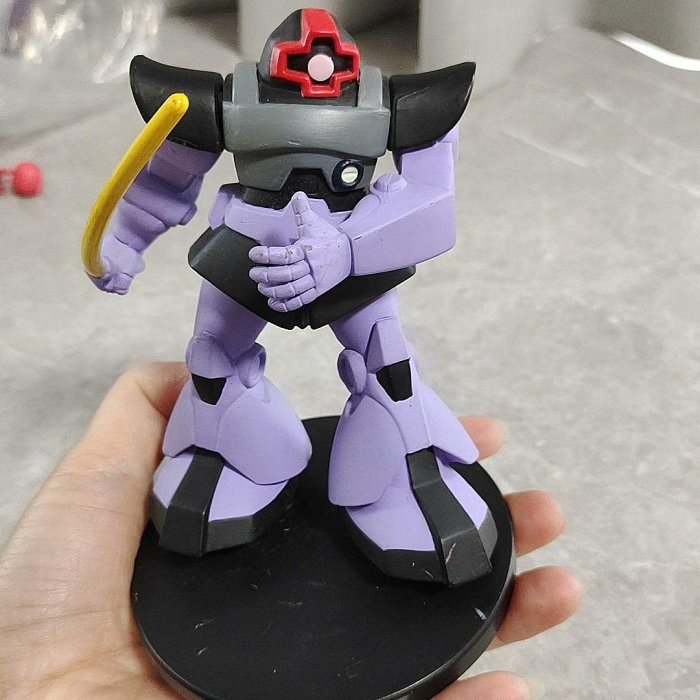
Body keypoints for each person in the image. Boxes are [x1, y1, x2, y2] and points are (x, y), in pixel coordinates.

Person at [0, 363, 581, 700]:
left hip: (354, 240)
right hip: (245, 249)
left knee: (385, 362)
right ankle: (233, 447)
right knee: (217, 359)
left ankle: (398, 465)